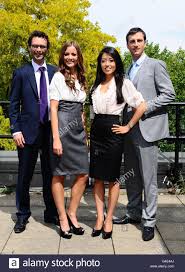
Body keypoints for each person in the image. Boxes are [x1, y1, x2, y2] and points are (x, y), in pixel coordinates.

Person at [113, 27, 175, 241]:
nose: (136, 44)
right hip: (128, 130)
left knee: (149, 179)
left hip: (147, 129)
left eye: (139, 40)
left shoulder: (156, 65)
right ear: (127, 44)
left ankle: (149, 221)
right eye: (132, 41)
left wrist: (145, 106)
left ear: (145, 43)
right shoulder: (128, 68)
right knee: (131, 175)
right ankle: (133, 213)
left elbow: (169, 94)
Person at [90, 46, 147, 239]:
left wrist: (128, 126)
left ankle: (108, 220)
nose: (107, 64)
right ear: (100, 63)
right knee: (97, 177)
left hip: (114, 132)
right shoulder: (96, 83)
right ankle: (99, 217)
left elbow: (142, 104)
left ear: (116, 63)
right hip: (96, 131)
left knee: (113, 178)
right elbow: (92, 111)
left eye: (111, 60)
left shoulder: (124, 82)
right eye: (104, 60)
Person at [9, 30, 58, 233]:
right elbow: (13, 104)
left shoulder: (56, 72)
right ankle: (22, 215)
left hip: (49, 133)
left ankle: (51, 212)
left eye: (42, 46)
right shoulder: (21, 73)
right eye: (35, 46)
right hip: (27, 133)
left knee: (50, 175)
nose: (39, 49)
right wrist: (15, 130)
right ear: (30, 47)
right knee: (24, 176)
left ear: (47, 49)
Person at [49, 41, 88, 239]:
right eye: (67, 54)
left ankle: (72, 212)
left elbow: (82, 109)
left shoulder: (81, 77)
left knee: (83, 174)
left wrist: (85, 134)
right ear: (62, 56)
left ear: (78, 56)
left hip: (78, 131)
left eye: (73, 54)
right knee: (59, 174)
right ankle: (63, 217)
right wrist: (56, 138)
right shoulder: (57, 76)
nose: (70, 57)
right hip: (62, 129)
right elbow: (53, 108)